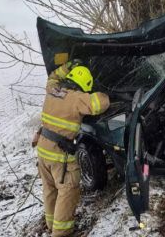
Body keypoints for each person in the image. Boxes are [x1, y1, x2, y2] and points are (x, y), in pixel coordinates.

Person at [32, 60, 110, 237]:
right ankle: (62, 233)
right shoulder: (78, 98)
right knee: (68, 191)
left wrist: (68, 66)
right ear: (84, 85)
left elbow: (53, 76)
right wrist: (104, 88)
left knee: (50, 188)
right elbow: (101, 103)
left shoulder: (53, 89)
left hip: (43, 150)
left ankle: (51, 225)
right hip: (60, 155)